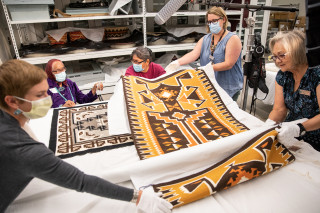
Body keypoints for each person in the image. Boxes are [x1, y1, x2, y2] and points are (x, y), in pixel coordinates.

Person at [0, 59, 173, 213]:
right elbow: (81, 181)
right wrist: (139, 197)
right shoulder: (24, 150)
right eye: (39, 95)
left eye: (46, 92)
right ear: (12, 101)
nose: (47, 99)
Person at [165, 6, 243, 101]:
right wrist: (177, 62)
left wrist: (205, 69)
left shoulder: (232, 39)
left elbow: (228, 64)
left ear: (223, 19)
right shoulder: (206, 39)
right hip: (210, 86)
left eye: (214, 21)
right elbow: (194, 54)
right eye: (209, 22)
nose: (211, 24)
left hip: (227, 87)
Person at [266, 30, 320, 151]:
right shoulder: (283, 75)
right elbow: (279, 109)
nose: (277, 61)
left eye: (282, 55)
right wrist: (268, 126)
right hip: (290, 132)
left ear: (298, 52)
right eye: (275, 56)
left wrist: (299, 128)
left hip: (315, 136)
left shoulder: (316, 73)